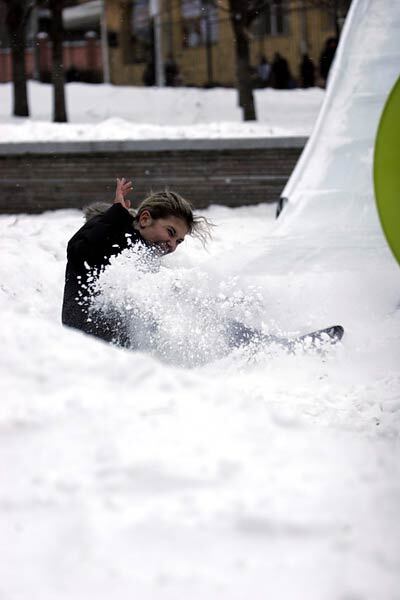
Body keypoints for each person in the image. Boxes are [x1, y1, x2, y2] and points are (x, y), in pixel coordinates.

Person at [62, 178, 210, 347]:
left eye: (179, 241)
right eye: (170, 232)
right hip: (83, 342)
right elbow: (79, 250)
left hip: (120, 350)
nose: (172, 244)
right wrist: (114, 216)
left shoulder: (144, 254)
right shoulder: (112, 233)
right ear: (145, 219)